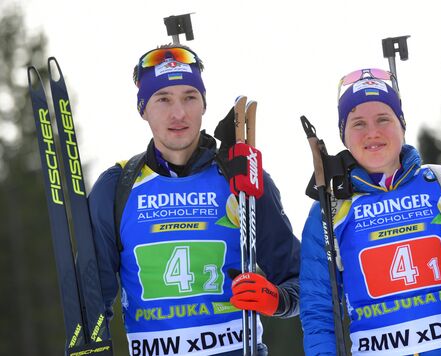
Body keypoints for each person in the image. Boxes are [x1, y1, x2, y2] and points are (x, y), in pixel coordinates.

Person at [88, 44, 300, 356]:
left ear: (203, 104)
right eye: (163, 99)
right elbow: (92, 297)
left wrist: (278, 300)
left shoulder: (240, 177)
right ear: (143, 108)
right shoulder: (118, 187)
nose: (179, 113)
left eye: (190, 97)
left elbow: (304, 282)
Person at [299, 68, 441, 355]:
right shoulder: (330, 210)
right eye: (358, 124)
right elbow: (318, 309)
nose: (373, 132)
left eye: (383, 119)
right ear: (344, 136)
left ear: (402, 125)